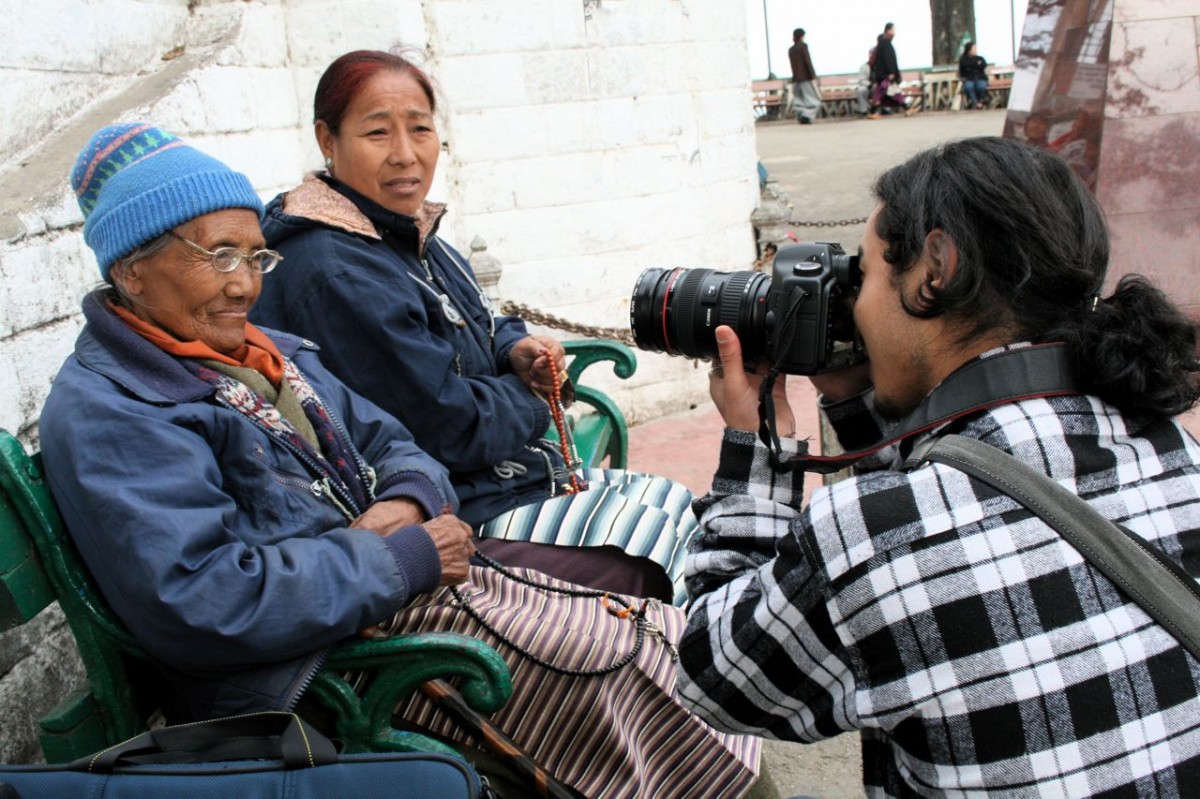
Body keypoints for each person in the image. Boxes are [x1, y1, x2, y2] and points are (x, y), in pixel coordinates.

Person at [42, 122, 761, 799]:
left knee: (654, 633)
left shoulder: (260, 352)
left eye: (254, 255)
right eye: (218, 256)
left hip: (380, 596)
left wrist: (408, 505)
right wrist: (394, 556)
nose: (244, 283)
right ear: (132, 271)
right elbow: (205, 602)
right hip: (315, 667)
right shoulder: (116, 408)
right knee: (618, 668)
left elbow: (398, 443)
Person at [677, 136, 1200, 796]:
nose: (854, 308)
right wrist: (857, 398)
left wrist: (758, 445)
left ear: (935, 266)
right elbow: (967, 474)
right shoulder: (1172, 450)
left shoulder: (871, 540)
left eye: (862, 277)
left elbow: (714, 676)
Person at [251, 50, 699, 605]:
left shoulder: (397, 232)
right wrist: (539, 396)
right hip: (445, 511)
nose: (405, 155)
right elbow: (448, 428)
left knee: (678, 506)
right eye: (377, 133)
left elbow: (485, 318)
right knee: (651, 557)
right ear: (328, 139)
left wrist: (517, 350)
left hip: (501, 476)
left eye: (420, 129)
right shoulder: (336, 268)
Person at [870, 22, 908, 116]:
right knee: (883, 93)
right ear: (889, 30)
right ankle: (873, 112)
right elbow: (889, 59)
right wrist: (891, 72)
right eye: (893, 29)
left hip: (883, 74)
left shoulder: (882, 43)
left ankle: (907, 108)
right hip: (886, 75)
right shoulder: (886, 43)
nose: (895, 31)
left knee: (888, 93)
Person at [787, 28, 821, 126]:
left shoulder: (791, 50)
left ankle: (801, 115)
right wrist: (813, 76)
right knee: (813, 100)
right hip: (805, 78)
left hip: (796, 79)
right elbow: (808, 62)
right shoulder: (803, 46)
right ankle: (807, 115)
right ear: (802, 36)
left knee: (799, 100)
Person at [957, 41, 989, 109]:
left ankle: (977, 102)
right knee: (968, 87)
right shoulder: (963, 59)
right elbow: (965, 66)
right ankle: (977, 103)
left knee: (981, 86)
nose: (975, 50)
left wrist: (974, 65)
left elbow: (984, 65)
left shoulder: (980, 58)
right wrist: (976, 64)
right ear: (969, 50)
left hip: (980, 77)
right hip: (969, 78)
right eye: (974, 48)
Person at [855, 48, 875, 118]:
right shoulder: (864, 66)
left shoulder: (881, 65)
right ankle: (863, 111)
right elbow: (861, 79)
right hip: (868, 87)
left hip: (879, 87)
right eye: (871, 54)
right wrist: (870, 85)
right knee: (861, 90)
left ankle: (884, 109)